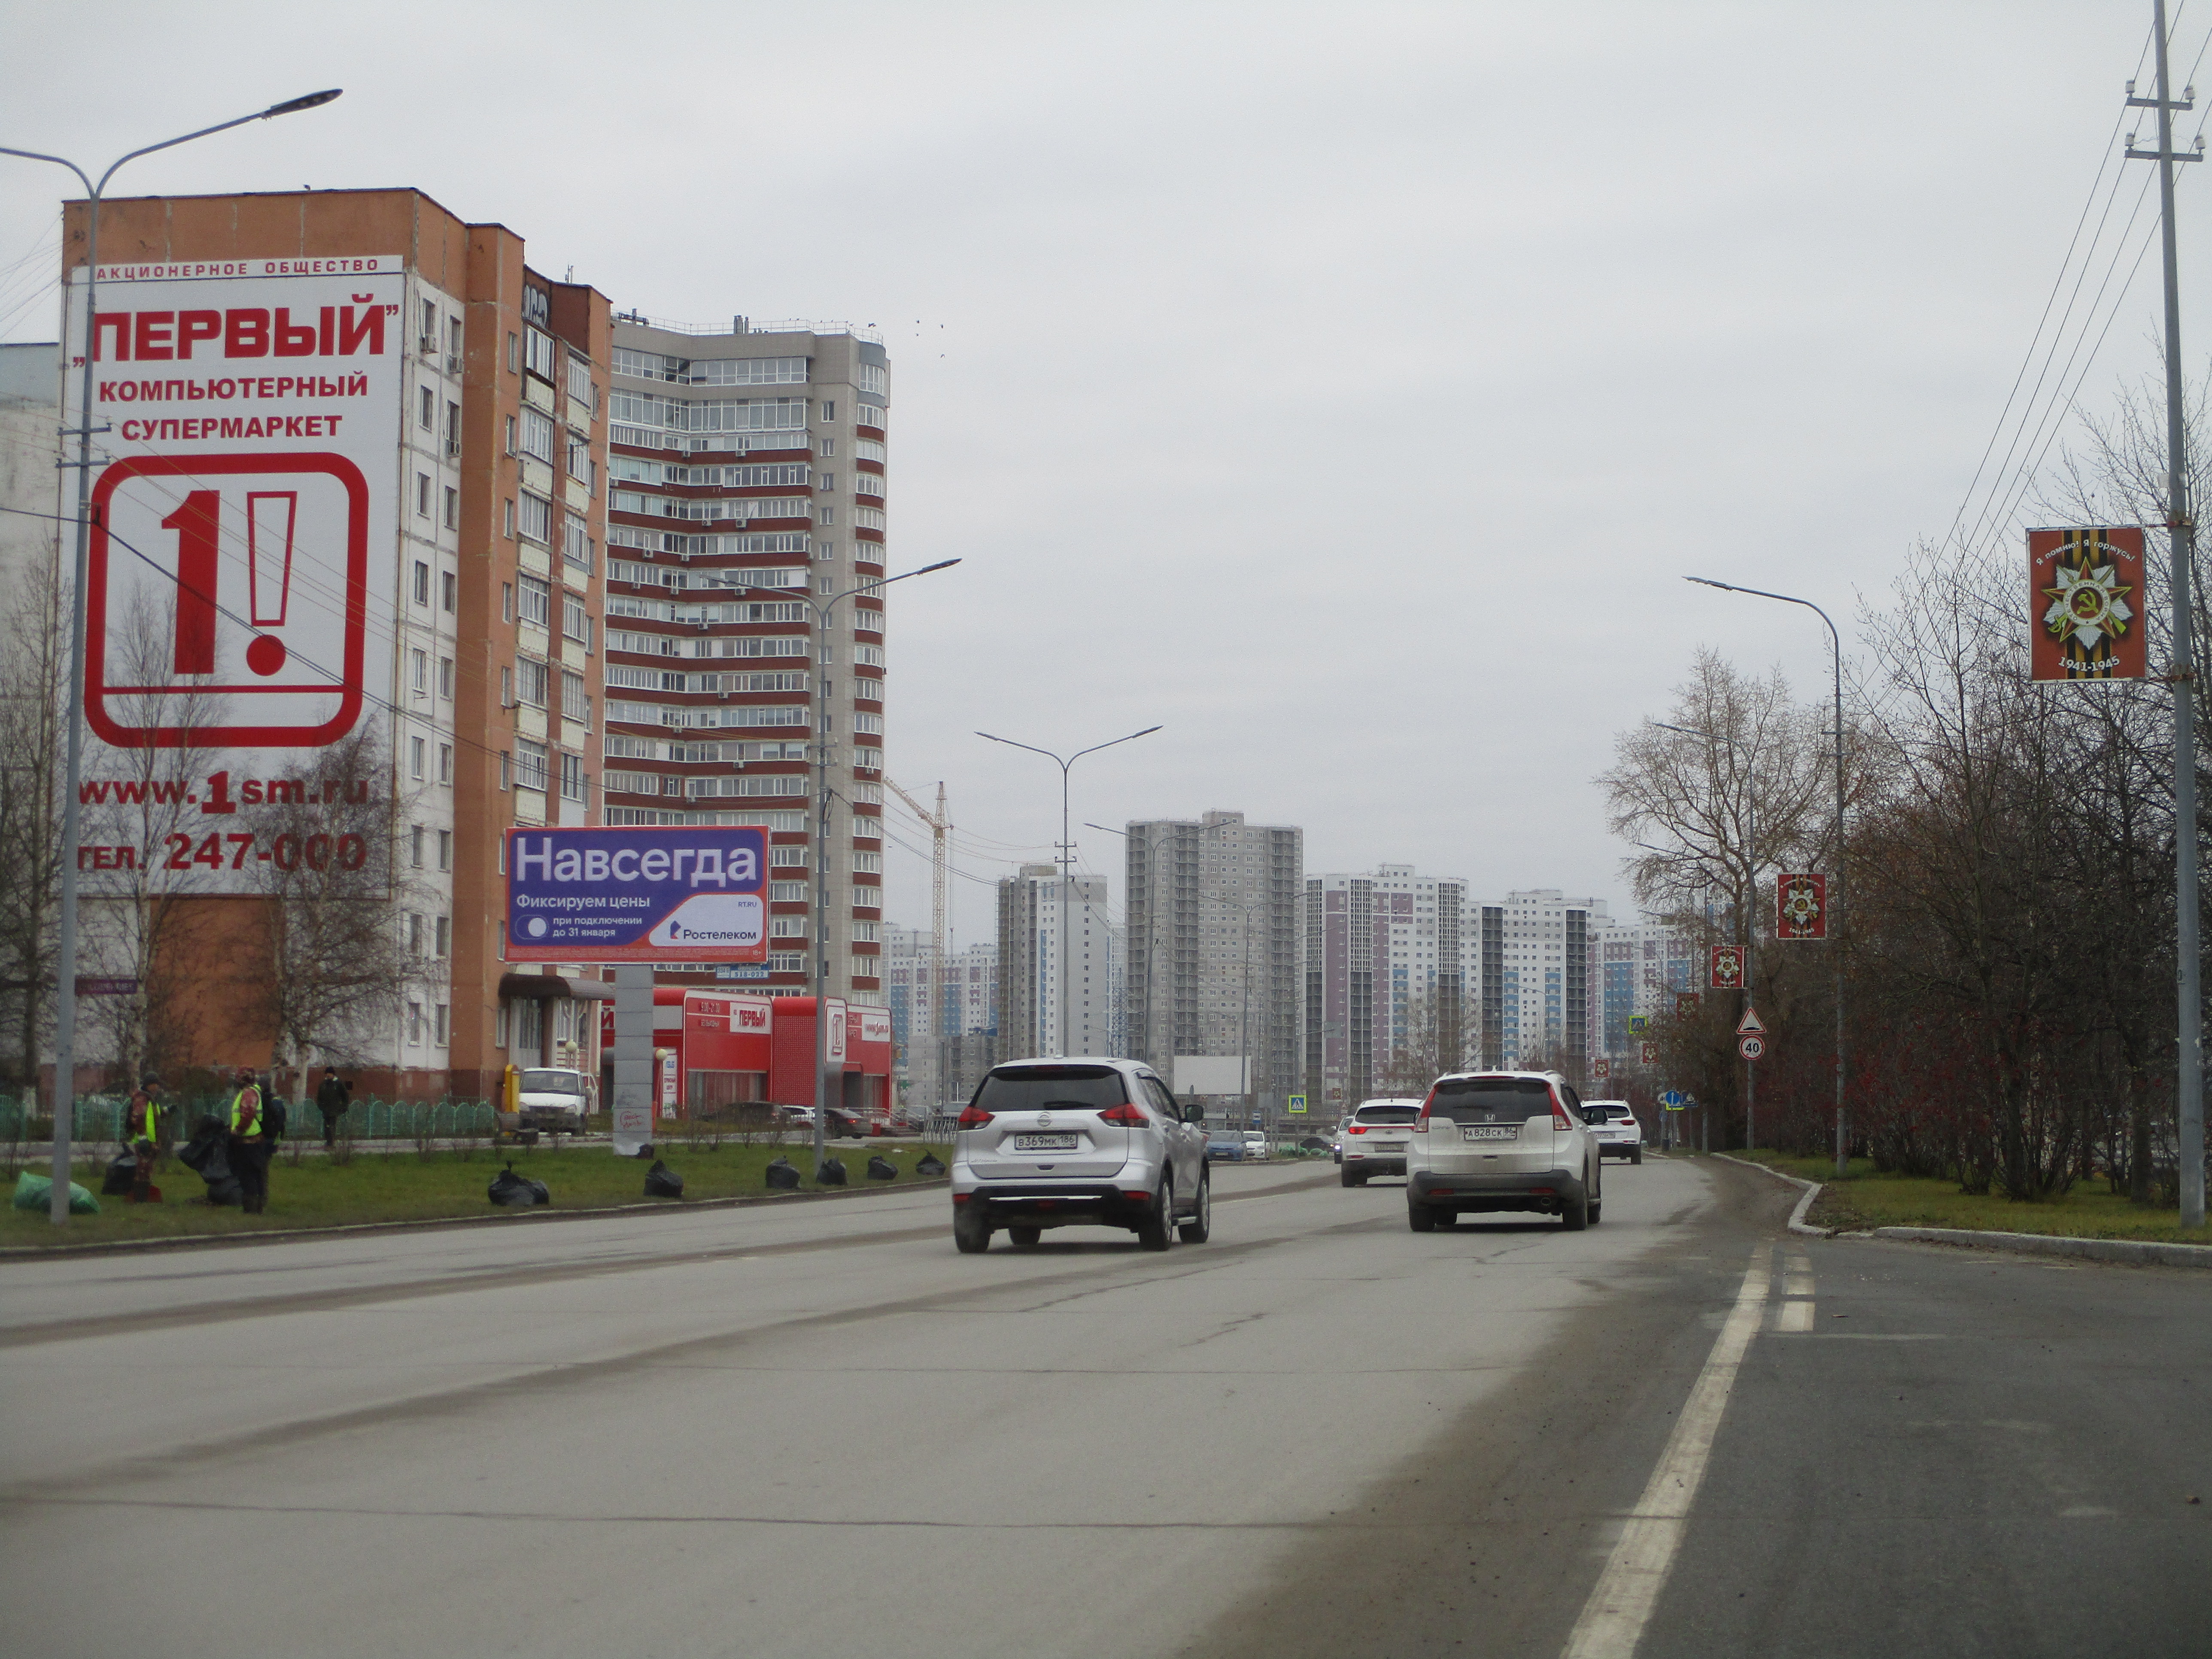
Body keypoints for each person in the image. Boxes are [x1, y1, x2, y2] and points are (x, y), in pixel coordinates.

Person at [226, 1066, 270, 1215]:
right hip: (254, 1141)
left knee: (249, 1176)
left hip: (249, 1142)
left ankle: (251, 1209)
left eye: (238, 1078)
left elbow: (248, 1114)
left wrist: (237, 1131)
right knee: (255, 1175)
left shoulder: (248, 1094)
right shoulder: (253, 1092)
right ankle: (257, 1208)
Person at [124, 1072, 164, 1203]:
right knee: (143, 1169)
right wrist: (144, 1139)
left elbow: (153, 1117)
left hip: (150, 1140)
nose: (157, 1087)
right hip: (144, 1140)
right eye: (155, 1085)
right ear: (149, 1085)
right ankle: (140, 1197)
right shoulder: (142, 1099)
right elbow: (139, 1119)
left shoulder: (149, 1098)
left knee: (147, 1169)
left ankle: (144, 1196)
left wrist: (166, 1111)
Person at [314, 1066, 352, 1148]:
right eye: (327, 1074)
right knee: (326, 1127)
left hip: (335, 1110)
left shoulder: (339, 1084)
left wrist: (344, 1107)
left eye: (330, 1074)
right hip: (326, 1110)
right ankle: (329, 1142)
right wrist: (321, 1106)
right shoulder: (323, 1085)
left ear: (333, 1074)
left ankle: (331, 1143)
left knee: (332, 1126)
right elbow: (319, 1097)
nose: (328, 1075)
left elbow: (345, 1096)